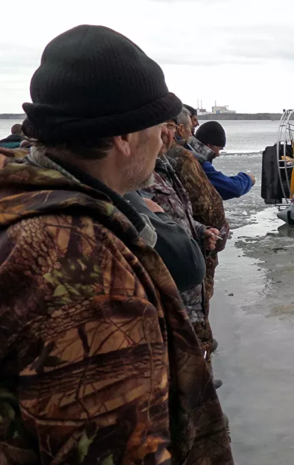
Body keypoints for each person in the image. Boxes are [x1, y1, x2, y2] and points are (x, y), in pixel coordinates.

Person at [0, 25, 233, 463]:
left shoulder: (19, 195)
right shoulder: (80, 263)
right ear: (123, 137)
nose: (165, 138)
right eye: (157, 125)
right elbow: (116, 448)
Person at [140, 118, 221, 373]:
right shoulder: (135, 176)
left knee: (195, 349)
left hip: (189, 290)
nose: (167, 133)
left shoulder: (164, 167)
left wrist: (199, 230)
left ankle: (201, 381)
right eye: (160, 124)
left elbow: (181, 212)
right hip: (169, 294)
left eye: (171, 126)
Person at [191, 121, 256, 200]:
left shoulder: (190, 151)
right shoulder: (198, 161)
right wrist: (248, 179)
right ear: (209, 145)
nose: (218, 154)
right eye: (219, 149)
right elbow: (231, 188)